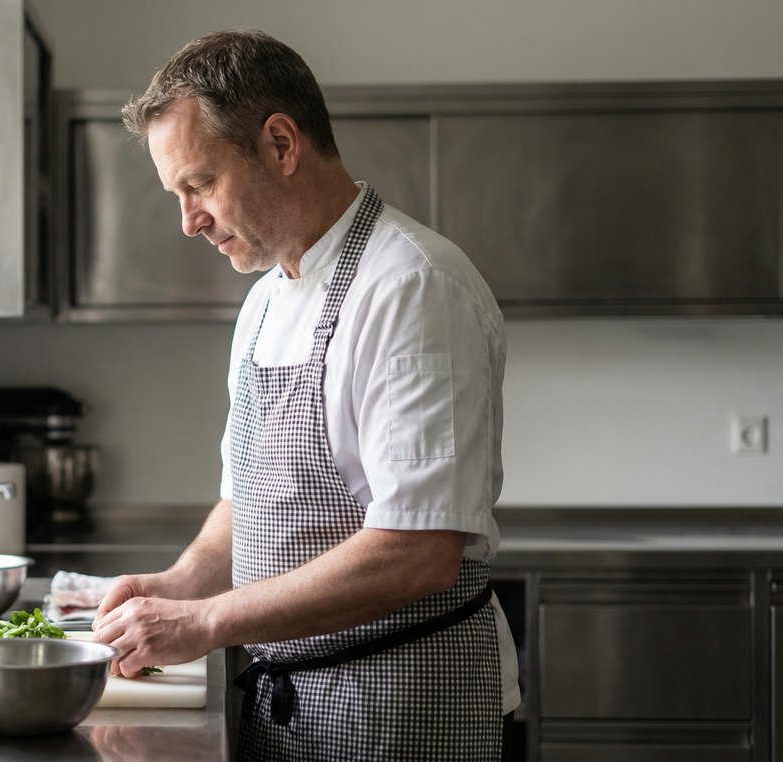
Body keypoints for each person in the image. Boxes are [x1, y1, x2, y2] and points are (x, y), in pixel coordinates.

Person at [91, 29, 520, 761]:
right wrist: (178, 583)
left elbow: (418, 550)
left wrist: (205, 623)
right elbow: (250, 500)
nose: (188, 220)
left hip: (405, 709)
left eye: (199, 184)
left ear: (281, 145)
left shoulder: (413, 289)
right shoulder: (264, 303)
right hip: (297, 710)